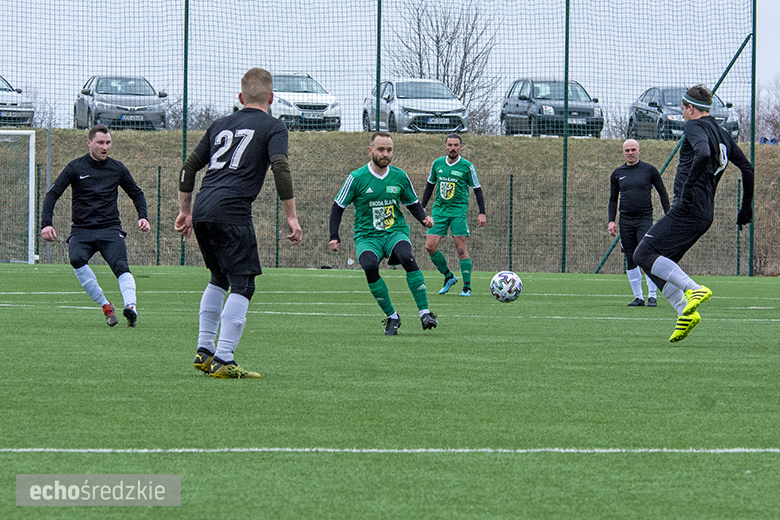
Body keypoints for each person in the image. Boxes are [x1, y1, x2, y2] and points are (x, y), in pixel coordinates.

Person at [175, 67, 303, 379]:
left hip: (204, 207)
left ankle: (204, 351)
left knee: (219, 277)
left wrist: (185, 210)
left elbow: (189, 166)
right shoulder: (274, 127)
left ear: (240, 97)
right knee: (244, 284)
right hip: (232, 211)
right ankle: (224, 357)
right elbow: (280, 167)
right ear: (271, 97)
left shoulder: (219, 124)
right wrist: (291, 216)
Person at [633, 85, 754, 342]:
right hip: (704, 213)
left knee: (641, 253)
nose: (681, 112)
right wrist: (746, 208)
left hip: (688, 207)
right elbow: (748, 169)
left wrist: (687, 186)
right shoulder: (722, 133)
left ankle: (694, 290)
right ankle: (684, 313)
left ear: (690, 108)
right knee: (654, 264)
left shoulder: (693, 127)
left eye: (682, 107)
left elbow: (703, 152)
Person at [40, 125, 150, 327]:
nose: (105, 147)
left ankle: (130, 307)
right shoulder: (75, 167)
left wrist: (143, 217)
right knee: (76, 259)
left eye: (108, 142)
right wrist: (46, 224)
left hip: (110, 230)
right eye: (100, 142)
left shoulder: (117, 168)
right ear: (89, 143)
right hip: (82, 230)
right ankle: (105, 305)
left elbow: (137, 193)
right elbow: (52, 194)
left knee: (121, 267)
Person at [329, 131, 437, 336]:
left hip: (395, 232)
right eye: (380, 149)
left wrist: (423, 218)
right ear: (370, 151)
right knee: (369, 265)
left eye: (389, 150)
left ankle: (425, 313)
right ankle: (392, 316)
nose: (385, 154)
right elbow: (338, 207)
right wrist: (334, 236)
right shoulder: (356, 178)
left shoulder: (400, 176)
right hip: (367, 236)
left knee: (407, 257)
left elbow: (412, 203)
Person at [421, 134, 486, 297]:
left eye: (456, 145)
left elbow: (477, 189)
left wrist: (482, 212)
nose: (453, 148)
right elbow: (429, 186)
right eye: (450, 145)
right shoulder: (437, 164)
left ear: (460, 147)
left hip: (458, 211)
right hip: (439, 210)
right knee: (430, 246)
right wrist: (421, 208)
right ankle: (449, 276)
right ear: (445, 147)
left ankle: (467, 287)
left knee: (460, 249)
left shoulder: (467, 166)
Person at [608, 138, 670, 307]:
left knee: (646, 256)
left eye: (633, 149)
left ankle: (652, 296)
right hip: (625, 221)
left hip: (644, 219)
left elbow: (663, 193)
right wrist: (611, 221)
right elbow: (613, 199)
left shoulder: (649, 170)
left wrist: (669, 215)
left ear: (639, 151)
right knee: (630, 257)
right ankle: (638, 297)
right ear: (623, 152)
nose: (630, 153)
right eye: (627, 150)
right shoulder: (617, 173)